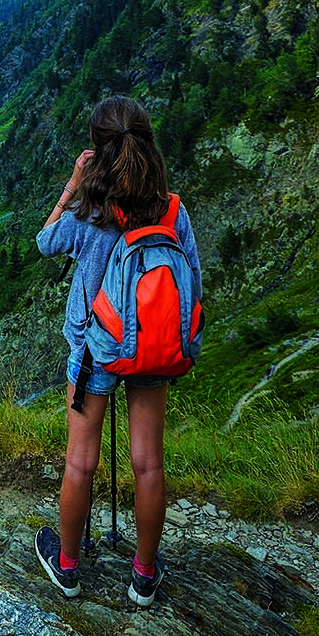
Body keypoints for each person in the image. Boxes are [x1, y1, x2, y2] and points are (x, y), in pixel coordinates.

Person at [32, 96, 202, 606]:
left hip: (93, 350)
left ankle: (67, 567)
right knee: (148, 463)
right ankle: (144, 576)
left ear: (99, 153)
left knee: (79, 461)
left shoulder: (91, 210)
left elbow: (44, 242)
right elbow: (190, 278)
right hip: (152, 349)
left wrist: (73, 183)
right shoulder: (173, 210)